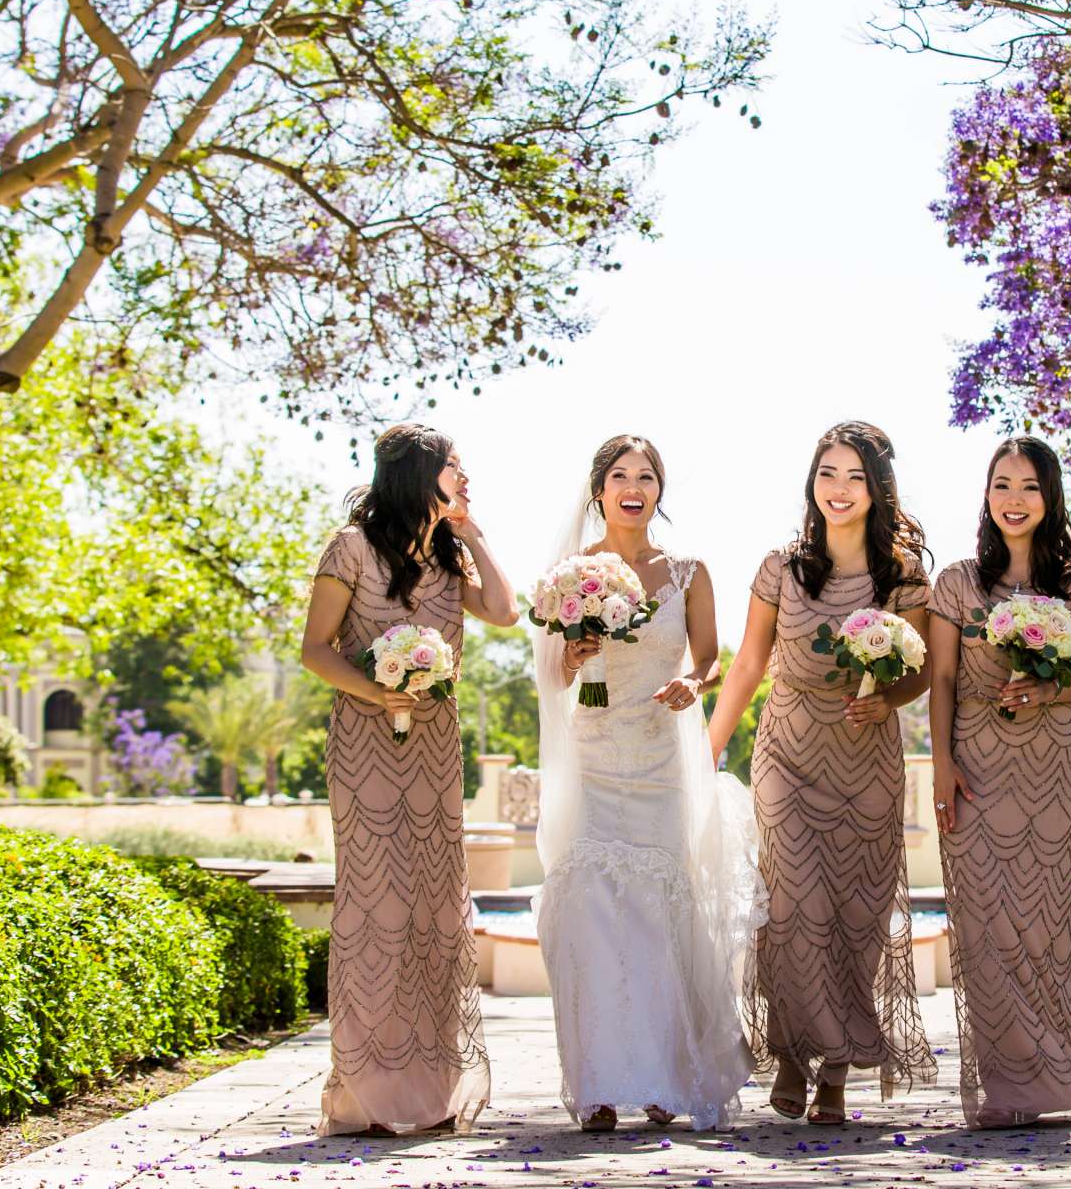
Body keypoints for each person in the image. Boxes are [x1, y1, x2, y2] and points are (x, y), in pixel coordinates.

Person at [706, 420, 937, 1125]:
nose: (838, 489)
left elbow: (918, 673)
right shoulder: (782, 566)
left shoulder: (903, 575)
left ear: (877, 490)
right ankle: (790, 1052)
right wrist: (708, 747)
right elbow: (748, 664)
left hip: (867, 761)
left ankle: (835, 1072)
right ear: (813, 482)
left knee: (855, 917)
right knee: (794, 906)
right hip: (788, 753)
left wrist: (886, 698)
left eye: (854, 477)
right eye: (827, 474)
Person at [532, 434, 761, 1131]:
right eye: (620, 475)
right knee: (591, 915)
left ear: (659, 490)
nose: (635, 486)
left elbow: (711, 657)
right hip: (594, 755)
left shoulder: (689, 570)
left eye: (648, 476)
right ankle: (599, 1085)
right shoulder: (570, 574)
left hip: (662, 759)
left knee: (663, 915)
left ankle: (666, 1076)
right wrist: (572, 657)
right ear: (598, 488)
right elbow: (552, 676)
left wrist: (693, 683)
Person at [299, 424, 517, 1136]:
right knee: (374, 906)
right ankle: (363, 1093)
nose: (465, 476)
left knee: (432, 906)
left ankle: (431, 1085)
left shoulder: (450, 555)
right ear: (419, 475)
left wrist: (473, 531)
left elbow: (506, 613)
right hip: (366, 748)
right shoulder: (351, 547)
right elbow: (314, 649)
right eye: (455, 468)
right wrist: (375, 693)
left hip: (434, 749)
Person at [927, 436, 1071, 1127]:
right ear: (986, 493)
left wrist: (1046, 691)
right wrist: (942, 765)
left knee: (1044, 924)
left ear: (1050, 496)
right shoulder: (958, 581)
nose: (1014, 499)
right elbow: (941, 679)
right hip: (974, 762)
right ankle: (1006, 1090)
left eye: (1029, 486)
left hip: (1050, 769)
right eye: (1002, 484)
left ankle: (1057, 1081)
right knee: (983, 925)